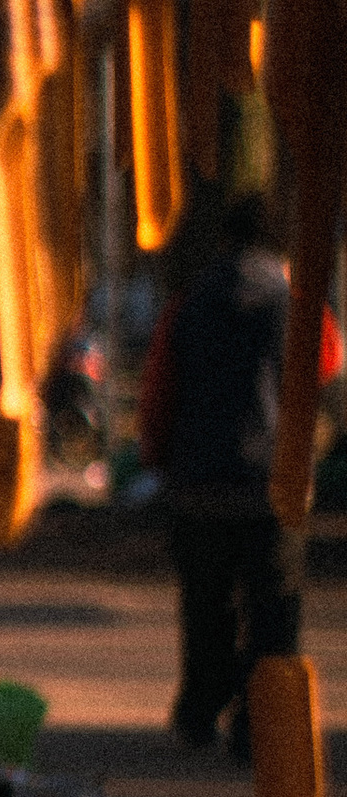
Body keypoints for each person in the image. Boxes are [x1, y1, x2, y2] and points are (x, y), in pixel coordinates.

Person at [140, 190, 337, 757]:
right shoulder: (300, 305)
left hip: (199, 481)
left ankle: (200, 713)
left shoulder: (188, 304)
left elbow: (159, 389)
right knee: (274, 611)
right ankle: (261, 728)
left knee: (206, 606)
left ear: (223, 240)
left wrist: (158, 458)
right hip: (277, 483)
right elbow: (325, 367)